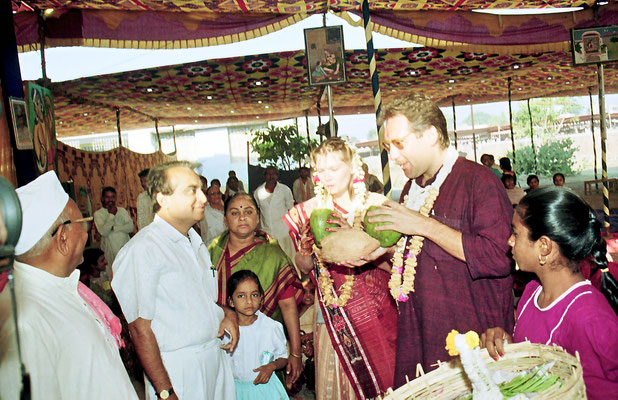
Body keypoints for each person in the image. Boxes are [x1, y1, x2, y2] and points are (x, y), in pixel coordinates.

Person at [365, 93, 514, 385]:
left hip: (469, 338)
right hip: (420, 332)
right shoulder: (411, 187)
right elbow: (420, 261)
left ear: (431, 134)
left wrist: (423, 225)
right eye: (387, 146)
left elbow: (498, 257)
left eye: (399, 144)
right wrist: (377, 256)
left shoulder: (479, 182)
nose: (392, 156)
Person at [0, 171, 137, 400]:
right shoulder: (25, 320)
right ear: (63, 237)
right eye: (83, 221)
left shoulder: (63, 287)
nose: (86, 231)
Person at [112, 161, 237, 400]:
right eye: (192, 190)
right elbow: (139, 328)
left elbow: (198, 300)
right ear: (163, 199)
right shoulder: (144, 249)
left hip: (214, 360)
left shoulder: (195, 242)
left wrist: (227, 314)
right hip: (178, 369)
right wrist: (165, 391)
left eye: (201, 189)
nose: (202, 197)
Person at [284, 137, 398, 399]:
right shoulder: (308, 212)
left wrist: (357, 242)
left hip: (377, 314)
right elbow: (305, 269)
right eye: (321, 170)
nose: (327, 177)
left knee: (385, 382)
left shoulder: (375, 206)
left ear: (353, 167)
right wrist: (304, 251)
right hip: (334, 318)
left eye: (333, 169)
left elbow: (396, 267)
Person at [481, 187, 618, 400]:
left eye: (515, 233)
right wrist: (508, 346)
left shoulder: (589, 319)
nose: (509, 241)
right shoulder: (532, 292)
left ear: (544, 246)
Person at [208, 192, 303, 388]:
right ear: (225, 219)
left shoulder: (273, 254)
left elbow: (288, 306)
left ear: (258, 217)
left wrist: (295, 352)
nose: (242, 217)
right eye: (234, 213)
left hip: (262, 349)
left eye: (248, 212)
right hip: (218, 346)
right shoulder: (212, 252)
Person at [227, 270, 288, 400]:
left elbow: (283, 357)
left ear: (261, 298)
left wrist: (271, 366)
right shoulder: (226, 330)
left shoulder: (271, 327)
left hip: (264, 390)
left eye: (254, 295)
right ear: (231, 301)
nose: (249, 301)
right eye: (241, 296)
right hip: (234, 391)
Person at [254, 166, 296, 263]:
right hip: (268, 234)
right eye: (268, 174)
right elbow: (258, 212)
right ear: (264, 176)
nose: (271, 176)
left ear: (277, 176)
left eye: (273, 174)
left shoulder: (285, 190)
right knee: (272, 262)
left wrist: (295, 230)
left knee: (289, 259)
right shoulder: (258, 192)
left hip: (284, 233)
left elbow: (292, 211)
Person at [94, 186, 134, 272]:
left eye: (112, 197)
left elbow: (131, 227)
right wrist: (111, 215)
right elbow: (103, 232)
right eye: (107, 197)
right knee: (113, 274)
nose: (110, 200)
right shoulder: (98, 214)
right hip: (110, 252)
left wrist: (114, 228)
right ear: (102, 198)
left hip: (125, 248)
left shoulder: (122, 211)